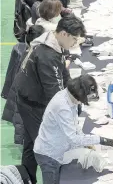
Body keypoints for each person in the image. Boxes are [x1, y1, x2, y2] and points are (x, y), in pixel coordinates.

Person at [15, 15, 86, 184]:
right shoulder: (47, 55)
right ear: (64, 34)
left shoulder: (53, 41)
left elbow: (63, 72)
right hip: (33, 104)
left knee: (32, 145)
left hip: (29, 98)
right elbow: (54, 94)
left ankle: (27, 179)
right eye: (74, 40)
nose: (74, 45)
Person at [34, 74, 113, 184]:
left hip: (58, 147)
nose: (82, 103)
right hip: (49, 154)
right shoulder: (62, 107)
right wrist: (99, 139)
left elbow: (75, 125)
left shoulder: (69, 97)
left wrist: (85, 141)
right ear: (79, 95)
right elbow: (73, 138)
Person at [1, 25, 45, 145]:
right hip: (26, 101)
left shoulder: (21, 50)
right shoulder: (33, 59)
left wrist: (6, 93)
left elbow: (10, 76)